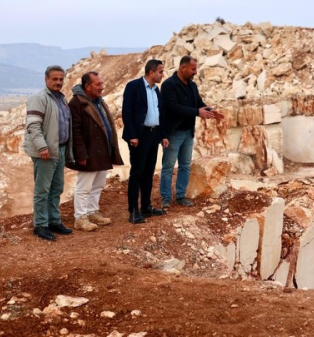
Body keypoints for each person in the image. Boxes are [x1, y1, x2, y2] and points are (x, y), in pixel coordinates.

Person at [160, 56, 224, 208]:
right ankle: (166, 198)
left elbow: (198, 103)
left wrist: (211, 111)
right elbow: (173, 108)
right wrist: (197, 112)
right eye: (193, 69)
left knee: (185, 166)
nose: (195, 72)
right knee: (168, 167)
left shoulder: (192, 86)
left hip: (188, 133)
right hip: (173, 133)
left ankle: (181, 196)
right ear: (183, 68)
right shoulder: (169, 85)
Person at [23, 65, 74, 241]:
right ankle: (40, 225)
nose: (58, 82)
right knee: (42, 189)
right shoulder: (39, 98)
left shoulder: (61, 98)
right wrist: (42, 147)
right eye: (54, 79)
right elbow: (33, 125)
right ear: (46, 79)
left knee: (56, 188)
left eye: (61, 79)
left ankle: (54, 221)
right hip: (46, 151)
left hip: (59, 149)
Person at [67, 71, 123, 231]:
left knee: (98, 185)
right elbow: (75, 131)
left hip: (102, 151)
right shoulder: (77, 103)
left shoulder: (98, 101)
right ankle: (80, 218)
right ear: (87, 86)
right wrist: (81, 154)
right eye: (98, 84)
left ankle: (92, 212)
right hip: (89, 152)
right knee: (84, 187)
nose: (101, 87)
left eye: (101, 83)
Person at [122, 59, 170, 224]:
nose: (162, 75)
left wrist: (163, 135)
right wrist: (132, 135)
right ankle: (133, 210)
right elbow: (127, 112)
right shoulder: (133, 86)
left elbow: (159, 114)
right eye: (160, 72)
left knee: (149, 172)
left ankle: (146, 206)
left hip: (153, 135)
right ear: (151, 72)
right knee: (137, 173)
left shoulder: (156, 90)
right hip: (139, 136)